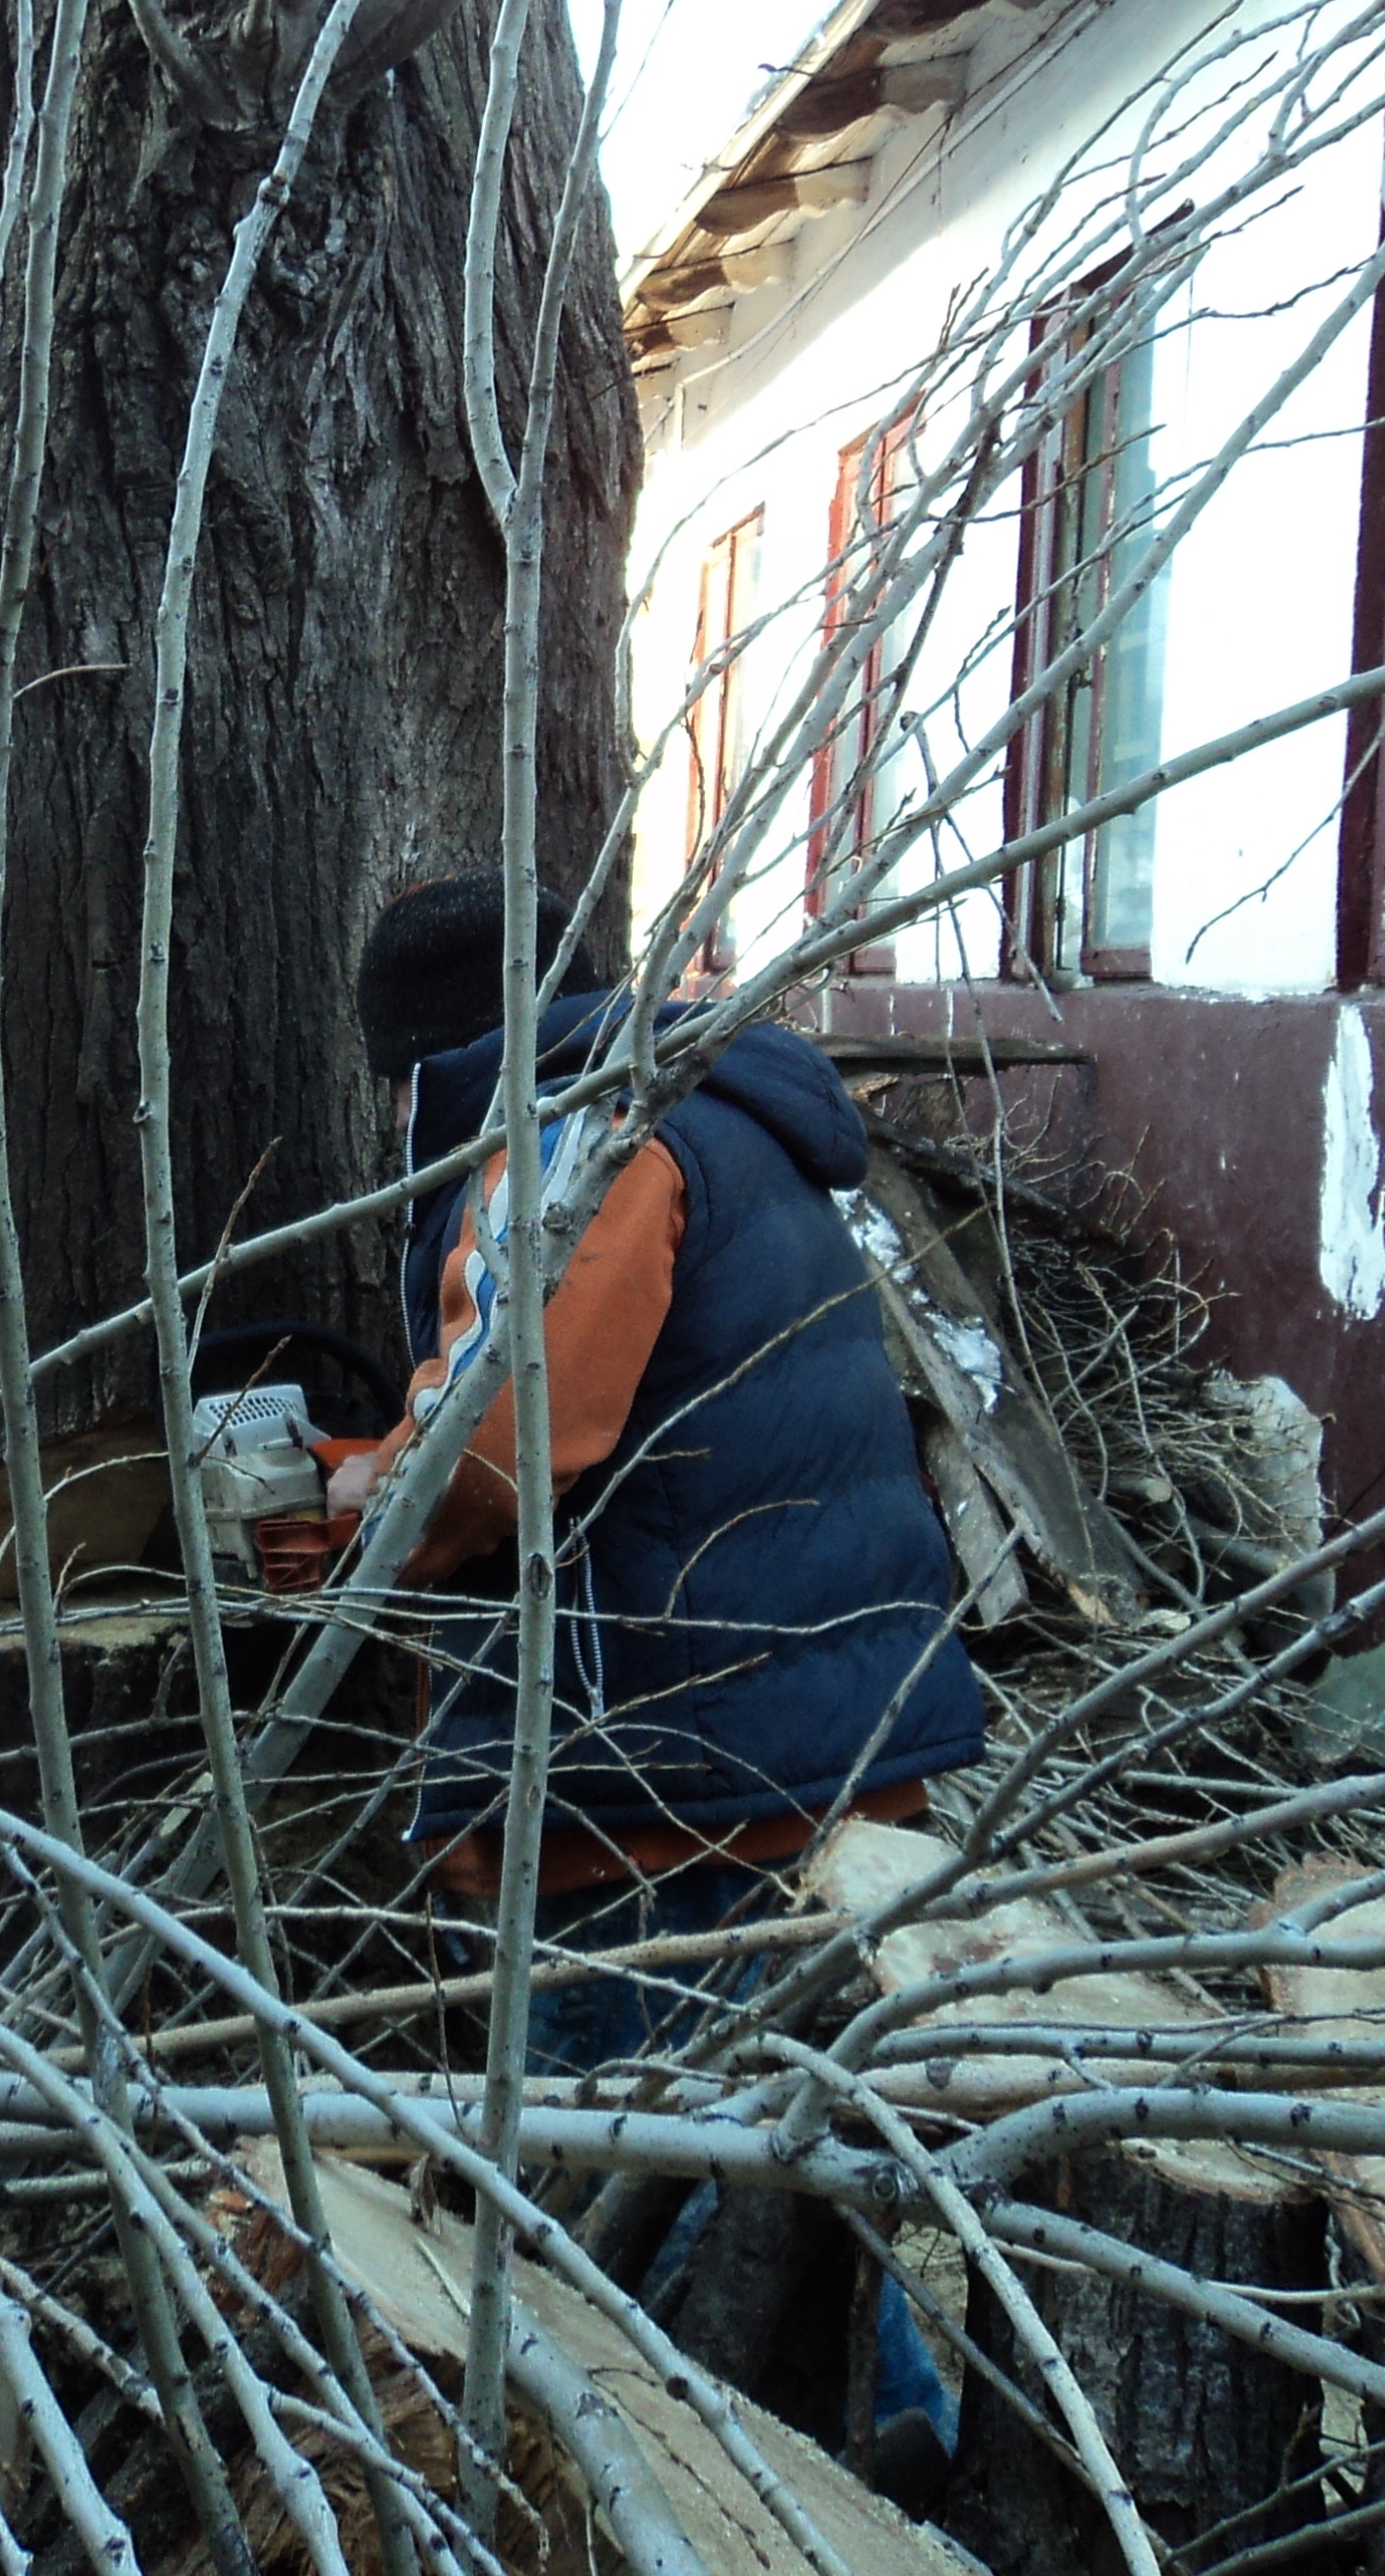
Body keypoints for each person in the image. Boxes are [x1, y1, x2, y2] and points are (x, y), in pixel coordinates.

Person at [322, 870, 988, 2065]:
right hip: (808, 1753)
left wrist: (371, 1500)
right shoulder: (704, 1110)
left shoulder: (587, 1145)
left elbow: (495, 1463)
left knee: (621, 2205)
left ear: (434, 1062)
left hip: (662, 1802)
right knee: (797, 2179)